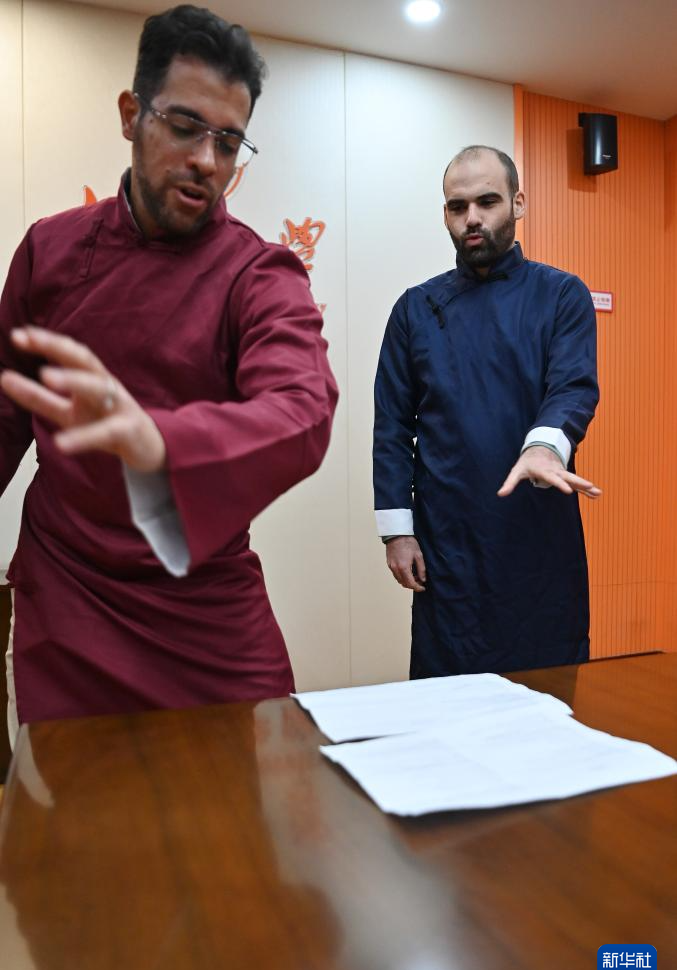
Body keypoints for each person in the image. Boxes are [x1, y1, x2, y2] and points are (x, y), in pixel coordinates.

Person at [0, 5, 338, 741]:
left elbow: (302, 408)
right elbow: (3, 416)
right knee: (77, 803)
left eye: (229, 141)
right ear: (132, 115)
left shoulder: (259, 272)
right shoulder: (49, 253)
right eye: (185, 127)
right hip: (71, 597)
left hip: (204, 609)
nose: (207, 162)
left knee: (241, 806)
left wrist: (160, 441)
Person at [373, 145, 600, 679]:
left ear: (518, 203)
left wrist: (545, 447)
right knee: (447, 699)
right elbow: (392, 427)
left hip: (538, 540)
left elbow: (572, 386)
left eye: (487, 202)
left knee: (547, 698)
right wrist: (396, 531)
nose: (472, 218)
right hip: (447, 546)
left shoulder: (561, 294)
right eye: (458, 207)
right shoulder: (415, 309)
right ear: (446, 215)